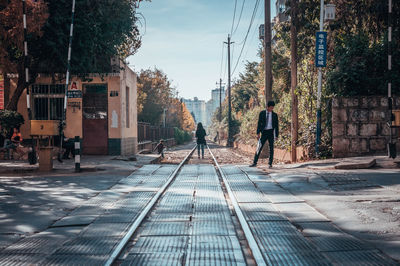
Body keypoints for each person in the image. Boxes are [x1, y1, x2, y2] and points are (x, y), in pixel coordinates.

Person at [250, 101, 279, 168]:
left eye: (272, 108)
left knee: (271, 148)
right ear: (267, 107)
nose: (271, 109)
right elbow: (259, 124)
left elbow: (277, 126)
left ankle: (270, 163)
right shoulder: (262, 113)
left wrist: (276, 135)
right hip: (264, 132)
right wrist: (258, 133)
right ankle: (254, 162)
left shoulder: (275, 115)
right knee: (259, 147)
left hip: (271, 132)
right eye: (271, 107)